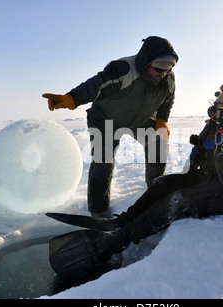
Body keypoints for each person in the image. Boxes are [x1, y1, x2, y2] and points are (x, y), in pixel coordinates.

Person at [91, 74, 223, 253]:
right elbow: (200, 147)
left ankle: (123, 238)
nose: (221, 97)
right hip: (207, 178)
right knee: (162, 184)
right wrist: (186, 176)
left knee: (178, 200)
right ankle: (124, 221)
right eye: (221, 92)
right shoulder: (218, 118)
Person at [43, 36, 179, 218]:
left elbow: (167, 100)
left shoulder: (168, 78)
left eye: (168, 68)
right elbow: (98, 84)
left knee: (158, 141)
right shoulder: (124, 69)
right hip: (105, 120)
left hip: (138, 119)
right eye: (158, 68)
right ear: (146, 62)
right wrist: (73, 98)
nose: (163, 73)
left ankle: (154, 192)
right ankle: (98, 211)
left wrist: (162, 120)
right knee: (104, 161)